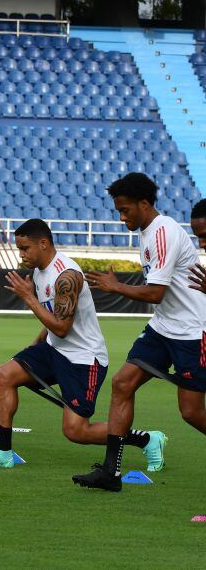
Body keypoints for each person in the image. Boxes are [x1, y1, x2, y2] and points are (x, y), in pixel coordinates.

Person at [0, 218, 164, 469]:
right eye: (19, 249)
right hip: (54, 349)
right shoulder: (39, 271)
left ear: (43, 243)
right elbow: (54, 315)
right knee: (5, 374)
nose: (21, 254)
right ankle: (2, 452)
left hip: (84, 359)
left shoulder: (66, 276)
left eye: (25, 248)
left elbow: (61, 327)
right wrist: (37, 345)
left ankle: (147, 439)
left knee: (76, 431)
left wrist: (29, 298)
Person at [73, 174, 206, 491]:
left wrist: (116, 286)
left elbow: (155, 293)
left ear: (144, 204)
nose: (122, 217)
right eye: (119, 210)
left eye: (125, 210)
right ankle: (111, 473)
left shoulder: (163, 232)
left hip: (192, 332)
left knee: (191, 412)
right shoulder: (147, 232)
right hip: (162, 328)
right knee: (123, 383)